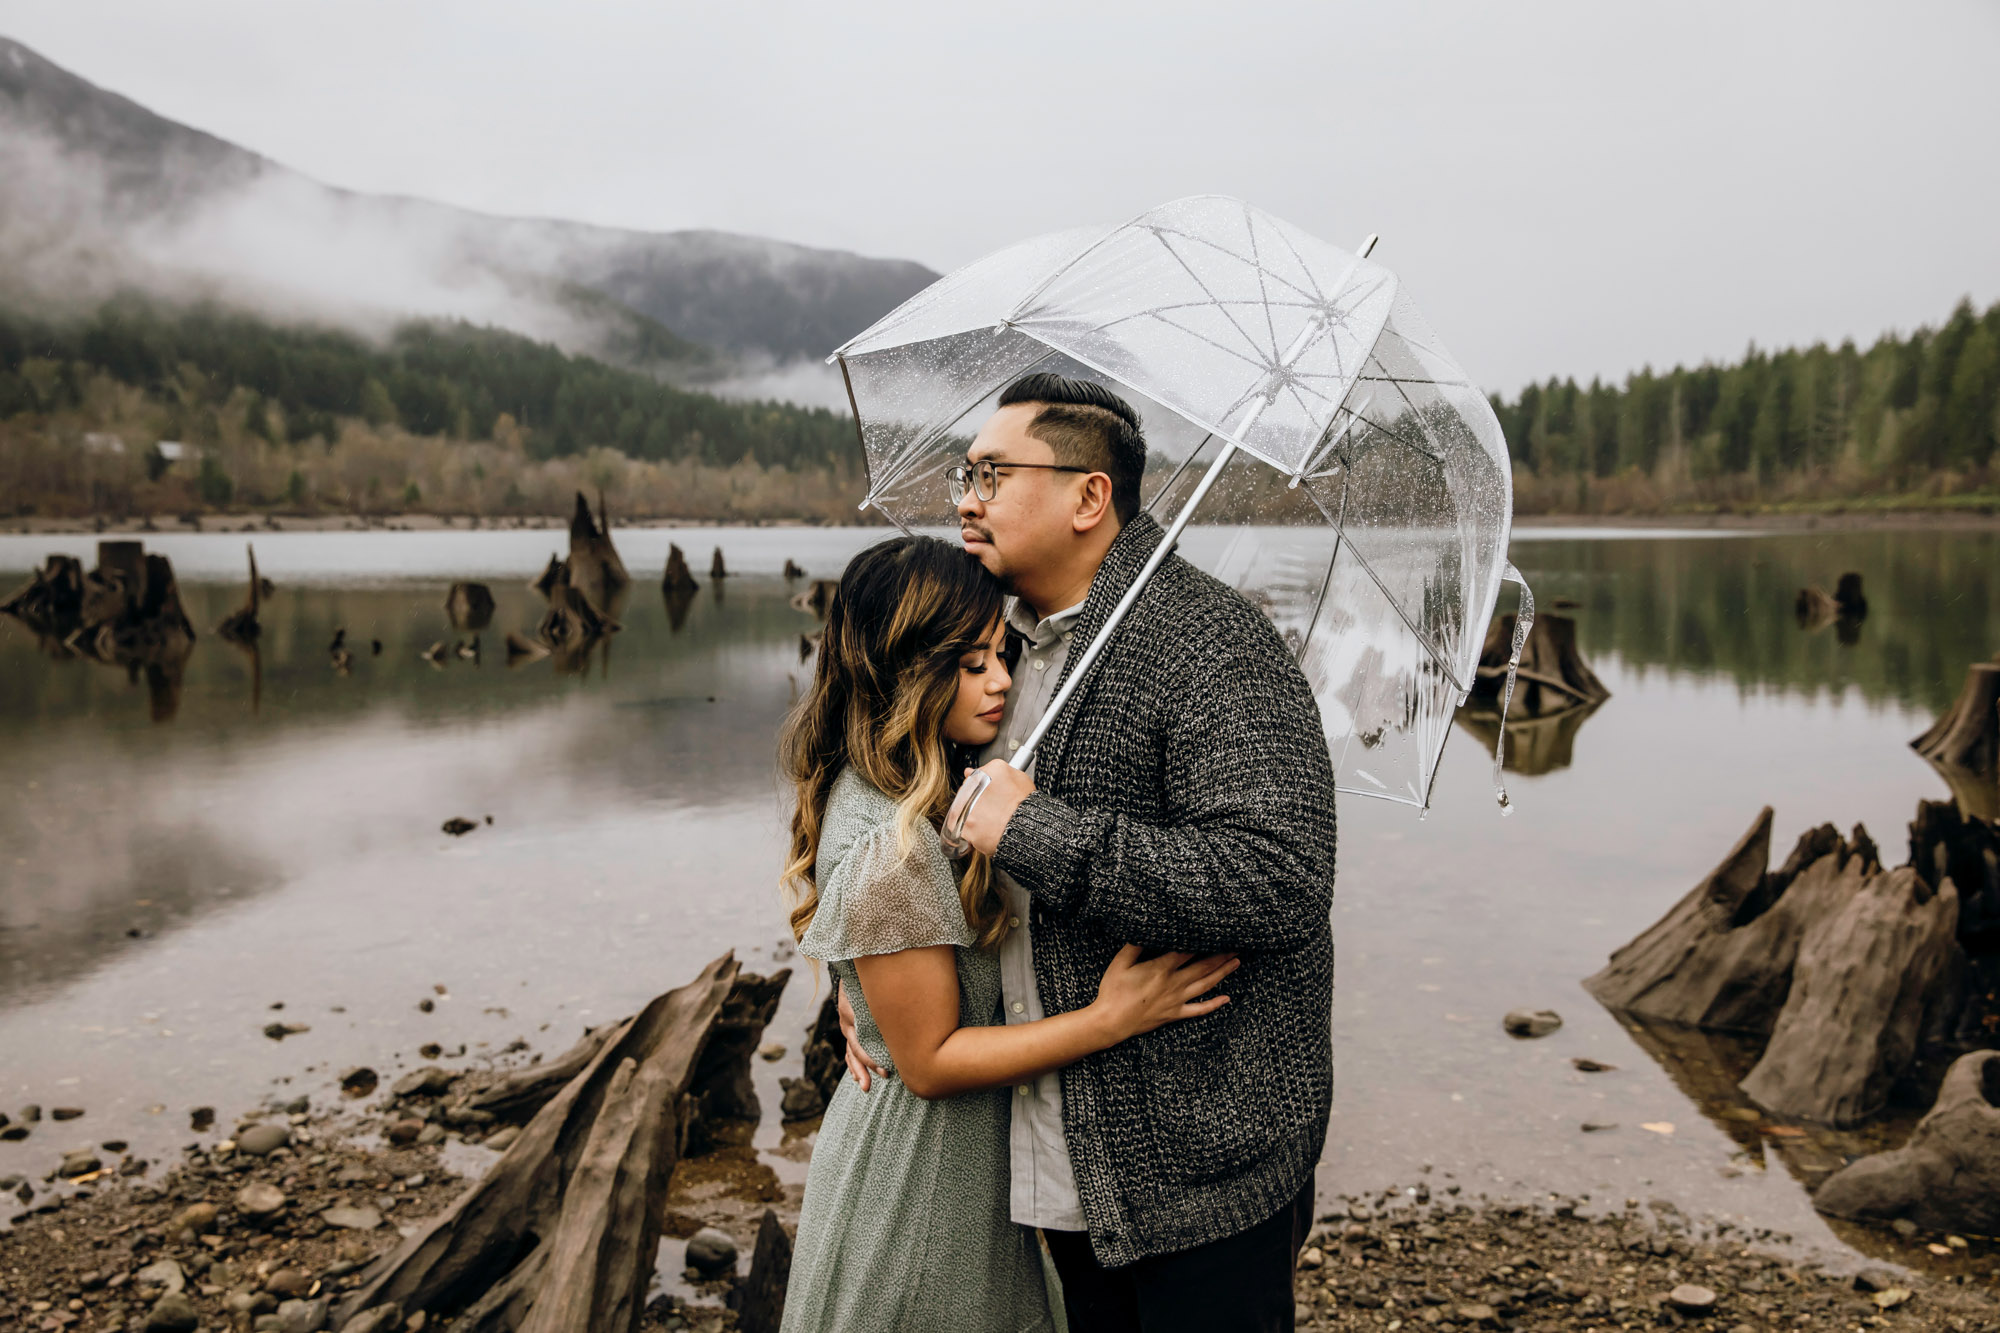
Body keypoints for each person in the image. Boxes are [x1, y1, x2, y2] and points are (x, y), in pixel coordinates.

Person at [842, 373, 1339, 1331]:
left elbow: (1280, 880)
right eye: (965, 471)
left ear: (1088, 496)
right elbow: (885, 808)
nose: (966, 496)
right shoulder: (988, 641)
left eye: (993, 472)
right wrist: (863, 975)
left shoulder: (1210, 645)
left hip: (1201, 1166)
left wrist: (1036, 832)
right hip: (1051, 1157)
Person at [778, 535, 1241, 1333]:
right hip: (917, 1188)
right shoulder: (898, 850)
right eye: (970, 662)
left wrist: (868, 999)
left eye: (1003, 652)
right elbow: (929, 1063)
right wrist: (1111, 1017)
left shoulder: (888, 783)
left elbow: (886, 970)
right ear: (904, 669)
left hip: (947, 1171)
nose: (1000, 681)